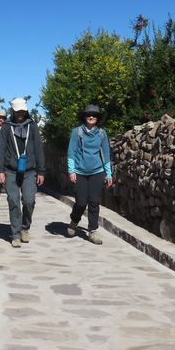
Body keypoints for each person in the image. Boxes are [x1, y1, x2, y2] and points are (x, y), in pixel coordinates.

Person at [0, 98, 45, 248]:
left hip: (29, 171)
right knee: (13, 200)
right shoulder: (6, 127)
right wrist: (0, 170)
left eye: (23, 110)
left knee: (29, 200)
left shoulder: (32, 126)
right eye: (17, 111)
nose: (20, 113)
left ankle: (25, 227)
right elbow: (1, 149)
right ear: (13, 110)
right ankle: (16, 234)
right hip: (10, 170)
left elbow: (38, 148)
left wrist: (41, 170)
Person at [66, 105, 113, 245]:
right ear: (84, 117)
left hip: (97, 172)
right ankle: (74, 221)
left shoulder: (102, 134)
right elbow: (71, 152)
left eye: (94, 115)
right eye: (88, 115)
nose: (91, 117)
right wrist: (71, 171)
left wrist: (108, 174)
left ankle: (92, 231)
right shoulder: (77, 132)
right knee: (81, 202)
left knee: (94, 202)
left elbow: (106, 154)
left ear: (98, 118)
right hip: (79, 172)